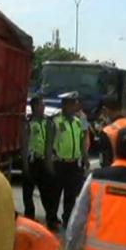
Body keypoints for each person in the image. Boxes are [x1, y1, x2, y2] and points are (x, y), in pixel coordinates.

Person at [45, 91, 88, 230]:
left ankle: (67, 218)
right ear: (64, 105)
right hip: (59, 163)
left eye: (75, 103)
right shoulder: (55, 121)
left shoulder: (78, 121)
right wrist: (49, 163)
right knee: (55, 195)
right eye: (71, 103)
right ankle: (52, 220)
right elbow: (49, 143)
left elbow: (84, 139)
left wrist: (85, 157)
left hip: (74, 163)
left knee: (71, 194)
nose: (74, 106)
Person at [22, 96, 55, 222]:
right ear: (34, 107)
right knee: (28, 191)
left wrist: (49, 161)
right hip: (32, 160)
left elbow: (49, 142)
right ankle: (29, 216)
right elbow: (25, 144)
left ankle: (51, 217)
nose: (43, 107)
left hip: (43, 161)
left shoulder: (47, 123)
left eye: (43, 105)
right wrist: (25, 165)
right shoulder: (29, 123)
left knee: (46, 191)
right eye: (41, 105)